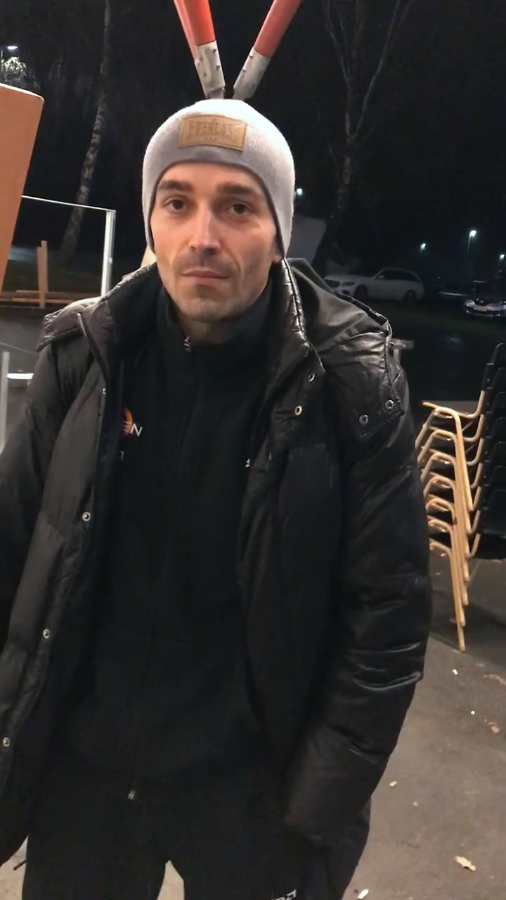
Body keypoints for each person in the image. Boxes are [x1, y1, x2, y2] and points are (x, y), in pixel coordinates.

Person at [0, 99, 432, 900]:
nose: (203, 236)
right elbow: (12, 548)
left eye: (237, 207)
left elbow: (387, 622)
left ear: (279, 232)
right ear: (152, 223)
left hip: (250, 796)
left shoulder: (348, 387)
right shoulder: (85, 357)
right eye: (178, 202)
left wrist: (313, 812)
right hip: (85, 781)